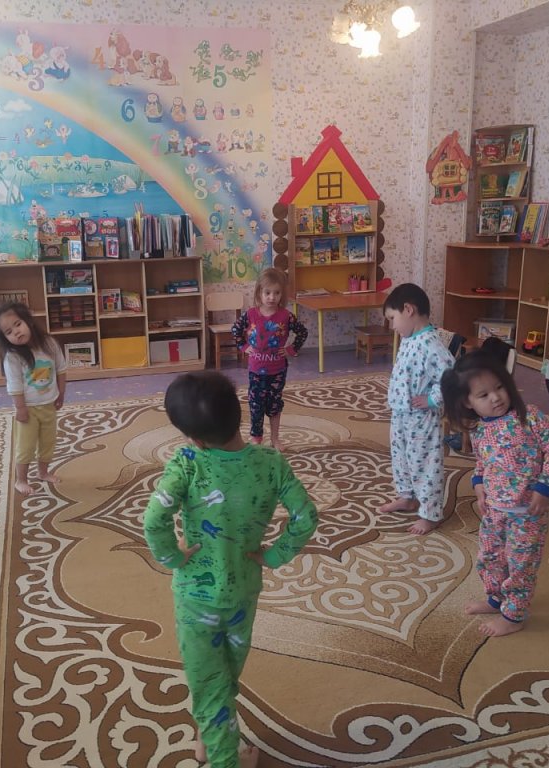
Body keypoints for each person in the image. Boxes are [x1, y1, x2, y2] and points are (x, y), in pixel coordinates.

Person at [143, 371, 318, 768]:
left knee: (209, 679)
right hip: (243, 592)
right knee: (223, 675)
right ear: (237, 414)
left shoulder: (187, 463)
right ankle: (210, 735)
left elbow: (153, 520)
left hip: (194, 597)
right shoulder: (271, 462)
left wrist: (172, 557)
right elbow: (306, 516)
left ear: (195, 439)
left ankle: (223, 757)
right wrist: (274, 556)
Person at [440, 352, 549, 637]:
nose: (496, 397)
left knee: (521, 565)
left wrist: (545, 487)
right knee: (491, 557)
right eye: (483, 395)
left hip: (528, 513)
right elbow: (483, 463)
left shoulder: (529, 416)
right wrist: (478, 485)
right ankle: (496, 599)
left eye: (499, 387)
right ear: (467, 402)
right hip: (494, 510)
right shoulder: (480, 430)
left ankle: (514, 615)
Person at [379, 283, 456, 534]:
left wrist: (433, 399)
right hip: (401, 414)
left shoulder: (430, 343)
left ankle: (430, 513)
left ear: (408, 310)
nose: (392, 326)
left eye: (393, 318)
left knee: (425, 463)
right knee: (401, 458)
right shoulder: (409, 338)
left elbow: (451, 376)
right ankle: (407, 496)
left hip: (421, 418)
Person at [0, 301, 68, 496]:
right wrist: (21, 408)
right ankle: (21, 480)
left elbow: (61, 369)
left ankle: (43, 472)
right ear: (5, 339)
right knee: (26, 446)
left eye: (18, 324)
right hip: (28, 409)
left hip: (49, 404)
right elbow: (14, 385)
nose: (16, 332)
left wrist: (61, 394)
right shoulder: (13, 357)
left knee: (48, 442)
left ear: (28, 321)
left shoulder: (49, 343)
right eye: (9, 332)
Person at [231, 267, 307, 451]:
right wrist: (244, 347)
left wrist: (290, 349)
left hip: (277, 371)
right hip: (256, 371)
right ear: (259, 292)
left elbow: (302, 332)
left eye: (277, 293)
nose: (272, 297)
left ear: (282, 294)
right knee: (256, 405)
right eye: (267, 293)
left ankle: (275, 438)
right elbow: (235, 330)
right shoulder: (251, 314)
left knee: (274, 405)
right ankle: (256, 438)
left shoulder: (286, 316)